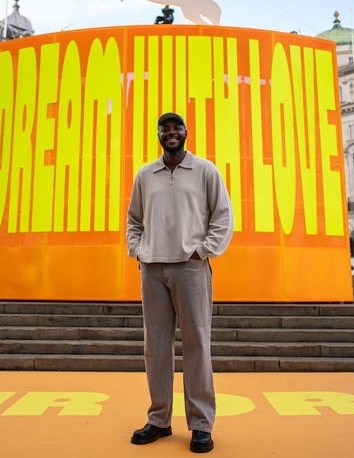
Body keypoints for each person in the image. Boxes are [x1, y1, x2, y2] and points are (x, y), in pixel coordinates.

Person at [126, 112, 234, 454]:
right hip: (153, 269)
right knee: (155, 348)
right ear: (158, 135)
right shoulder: (145, 175)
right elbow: (133, 219)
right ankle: (159, 419)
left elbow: (223, 216)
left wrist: (202, 252)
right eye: (165, 129)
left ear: (186, 133)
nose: (170, 133)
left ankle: (201, 425)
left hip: (191, 269)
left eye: (176, 128)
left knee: (197, 345)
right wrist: (137, 250)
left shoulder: (205, 170)